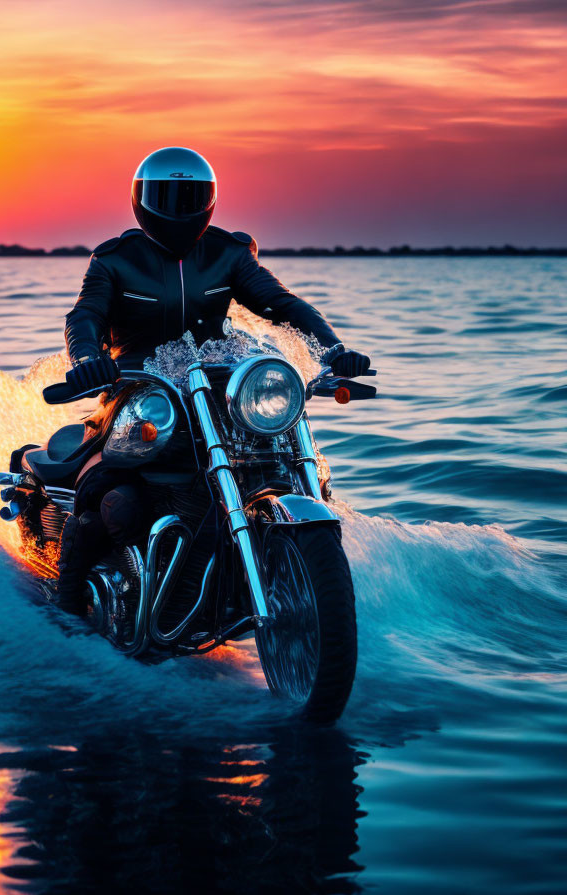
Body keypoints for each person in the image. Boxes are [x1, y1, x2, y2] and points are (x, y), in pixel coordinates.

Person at [54, 147, 372, 612]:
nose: (179, 206)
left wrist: (332, 350)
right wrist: (87, 359)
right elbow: (86, 317)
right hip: (141, 390)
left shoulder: (228, 253)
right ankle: (68, 610)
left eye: (191, 196)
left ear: (210, 199)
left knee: (276, 458)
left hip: (218, 391)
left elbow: (283, 305)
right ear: (142, 199)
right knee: (102, 490)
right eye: (166, 195)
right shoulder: (115, 261)